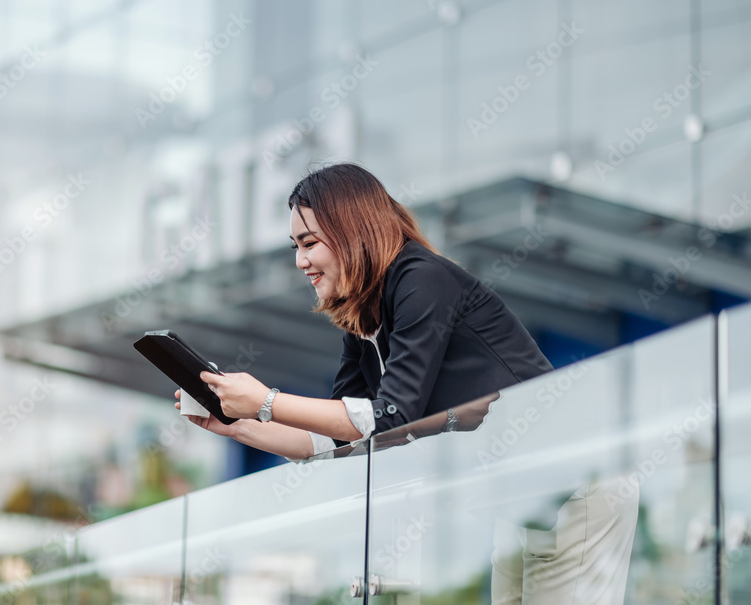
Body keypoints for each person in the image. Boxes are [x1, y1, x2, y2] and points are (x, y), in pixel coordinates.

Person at [173, 161, 554, 461]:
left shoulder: (422, 279)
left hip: (564, 469)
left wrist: (266, 402)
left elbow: (393, 416)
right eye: (296, 247)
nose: (300, 261)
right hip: (517, 481)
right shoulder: (364, 317)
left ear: (351, 231)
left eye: (309, 243)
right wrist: (239, 425)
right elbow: (339, 437)